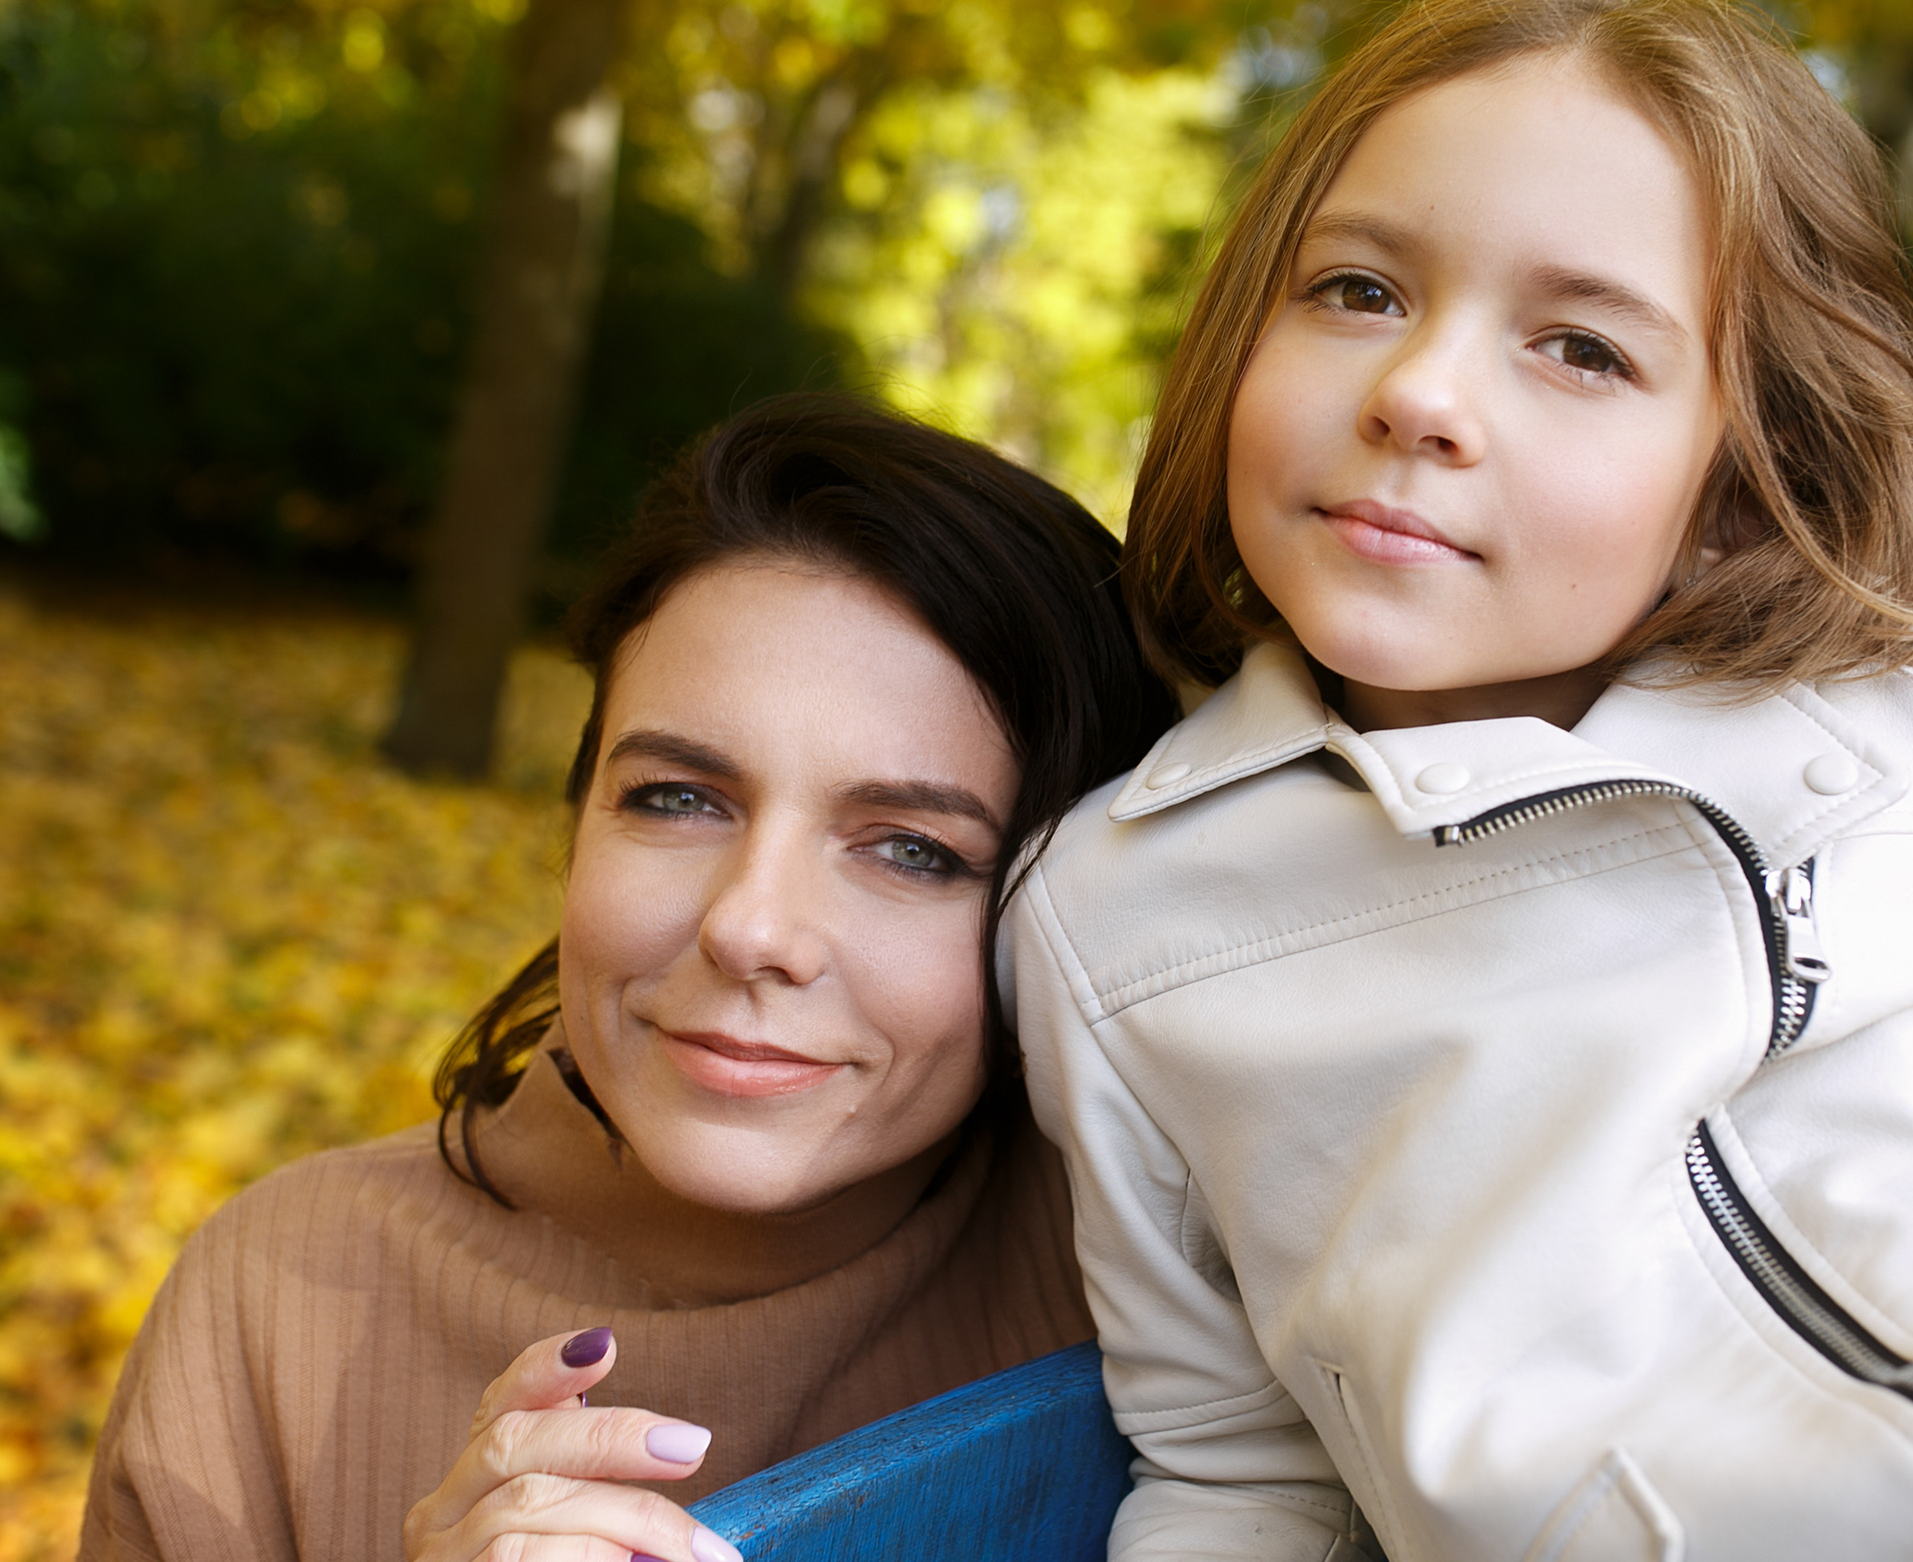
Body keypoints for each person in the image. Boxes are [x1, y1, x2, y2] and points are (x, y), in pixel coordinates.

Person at [1010, 0, 1913, 1562]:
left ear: (1735, 478)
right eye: (1359, 288)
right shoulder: (1120, 915)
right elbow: (1241, 1476)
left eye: (1579, 348)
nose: (1419, 394)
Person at [77, 397, 1180, 1562]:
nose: (750, 927)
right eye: (678, 799)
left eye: (913, 848)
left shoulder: (1179, 1298)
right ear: (579, 816)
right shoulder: (274, 1308)